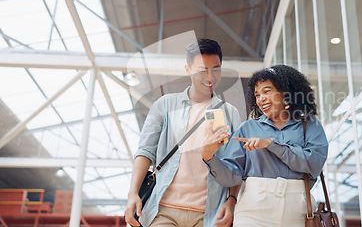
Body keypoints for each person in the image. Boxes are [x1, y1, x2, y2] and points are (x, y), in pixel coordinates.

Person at [124, 39, 242, 227]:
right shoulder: (165, 105)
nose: (210, 77)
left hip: (208, 215)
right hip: (163, 210)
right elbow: (145, 151)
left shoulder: (230, 113)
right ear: (188, 69)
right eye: (202, 70)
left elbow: (237, 164)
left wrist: (232, 200)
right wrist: (133, 194)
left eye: (216, 69)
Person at [202, 65, 329, 227]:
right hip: (253, 209)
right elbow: (231, 178)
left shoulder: (309, 125)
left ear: (286, 93)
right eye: (257, 95)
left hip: (300, 210)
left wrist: (271, 145)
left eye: (267, 91)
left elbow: (314, 164)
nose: (261, 98)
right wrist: (209, 157)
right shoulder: (247, 129)